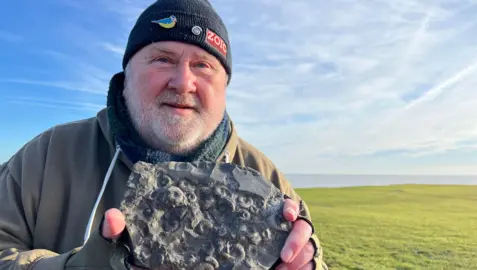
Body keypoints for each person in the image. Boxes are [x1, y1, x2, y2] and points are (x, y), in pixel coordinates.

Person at [0, 0, 328, 269]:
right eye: (162, 59)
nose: (183, 82)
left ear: (224, 87)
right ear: (126, 75)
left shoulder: (265, 179)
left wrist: (304, 262)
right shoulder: (47, 156)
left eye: (203, 65)